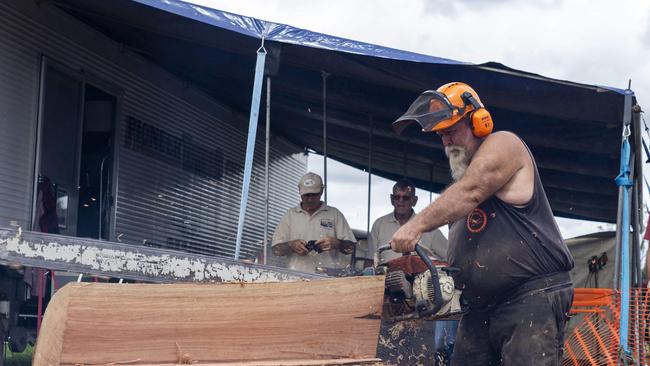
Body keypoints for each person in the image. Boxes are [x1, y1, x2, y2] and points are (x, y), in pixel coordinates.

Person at [390, 82, 575, 365]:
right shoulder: (460, 189)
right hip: (479, 307)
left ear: (479, 121)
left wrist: (415, 226)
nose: (446, 141)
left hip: (529, 299)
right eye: (441, 135)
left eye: (451, 131)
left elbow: (471, 190)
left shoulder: (504, 144)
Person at [272, 172, 357, 274]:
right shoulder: (290, 215)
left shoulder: (334, 214)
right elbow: (276, 250)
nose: (310, 199)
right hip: (295, 277)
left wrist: (337, 243)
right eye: (306, 195)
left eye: (314, 194)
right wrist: (291, 245)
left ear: (322, 191)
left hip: (327, 278)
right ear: (299, 191)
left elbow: (351, 248)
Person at [368, 179, 448, 264]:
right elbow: (370, 260)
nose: (401, 201)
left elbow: (449, 257)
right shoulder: (379, 225)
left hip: (420, 277)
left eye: (406, 198)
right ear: (392, 199)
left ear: (414, 200)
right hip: (386, 277)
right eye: (397, 197)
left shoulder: (429, 228)